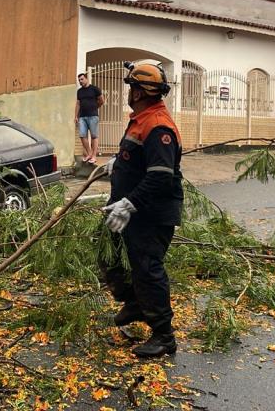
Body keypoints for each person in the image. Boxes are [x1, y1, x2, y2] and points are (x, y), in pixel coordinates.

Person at [100, 61, 183, 358]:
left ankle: (164, 335)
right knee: (108, 254)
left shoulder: (158, 125)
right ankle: (134, 303)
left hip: (149, 213)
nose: (129, 92)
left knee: (148, 269)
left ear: (139, 91)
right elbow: (139, 157)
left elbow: (160, 176)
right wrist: (119, 161)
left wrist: (130, 203)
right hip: (129, 211)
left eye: (131, 86)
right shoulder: (141, 118)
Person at [75, 72, 104, 164]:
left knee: (94, 136)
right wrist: (76, 116)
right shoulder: (79, 91)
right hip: (82, 117)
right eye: (79, 80)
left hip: (93, 116)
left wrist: (95, 107)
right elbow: (78, 104)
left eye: (82, 79)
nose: (80, 81)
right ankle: (89, 154)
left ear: (86, 79)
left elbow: (102, 100)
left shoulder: (95, 89)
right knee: (82, 135)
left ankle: (94, 156)